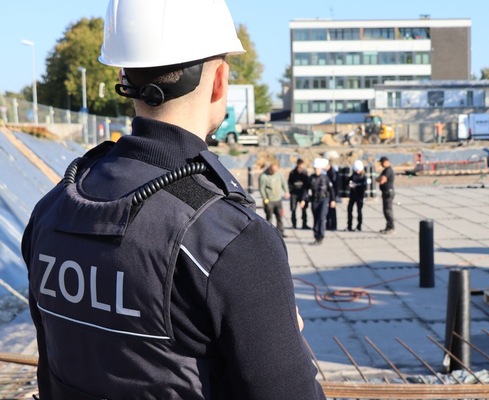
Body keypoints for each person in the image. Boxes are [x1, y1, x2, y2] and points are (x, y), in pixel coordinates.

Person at [21, 1, 325, 398]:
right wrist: (284, 342)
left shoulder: (53, 209)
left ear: (123, 76)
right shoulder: (232, 240)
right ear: (219, 82)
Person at [301, 158, 335, 245]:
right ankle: (316, 237)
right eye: (315, 168)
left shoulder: (325, 178)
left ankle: (321, 236)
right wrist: (303, 200)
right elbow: (305, 189)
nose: (316, 170)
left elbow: (331, 190)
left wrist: (332, 200)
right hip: (314, 201)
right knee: (316, 219)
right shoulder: (311, 178)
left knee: (321, 218)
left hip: (323, 200)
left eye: (318, 168)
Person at [258, 163, 289, 237]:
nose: (275, 172)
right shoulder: (264, 176)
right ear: (270, 169)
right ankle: (269, 233)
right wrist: (265, 198)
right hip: (269, 200)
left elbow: (283, 183)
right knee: (269, 218)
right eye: (273, 170)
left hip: (278, 200)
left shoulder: (279, 174)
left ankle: (280, 232)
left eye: (276, 170)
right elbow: (262, 188)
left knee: (279, 217)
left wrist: (286, 191)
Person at [288, 158, 311, 229]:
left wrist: (304, 196)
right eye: (299, 166)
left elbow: (307, 185)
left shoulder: (305, 173)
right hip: (294, 193)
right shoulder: (292, 173)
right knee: (293, 209)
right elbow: (289, 183)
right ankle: (294, 224)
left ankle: (304, 224)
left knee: (304, 209)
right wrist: (290, 191)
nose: (300, 168)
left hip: (302, 193)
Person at [347, 159, 369, 231]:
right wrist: (350, 184)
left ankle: (359, 226)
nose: (357, 171)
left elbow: (365, 186)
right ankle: (349, 226)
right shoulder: (353, 175)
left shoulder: (363, 177)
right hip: (353, 195)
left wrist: (357, 185)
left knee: (359, 211)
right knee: (349, 210)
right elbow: (348, 181)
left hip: (360, 196)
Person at [377, 156, 395, 234]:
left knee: (388, 211)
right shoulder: (385, 170)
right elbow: (378, 178)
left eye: (381, 162)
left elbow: (382, 180)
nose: (381, 164)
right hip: (385, 192)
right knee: (385, 210)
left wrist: (379, 179)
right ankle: (388, 227)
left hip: (388, 192)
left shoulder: (388, 170)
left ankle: (391, 227)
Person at [325, 161, 339, 231]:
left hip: (332, 194)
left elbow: (333, 186)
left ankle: (333, 225)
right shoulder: (328, 172)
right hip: (329, 194)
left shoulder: (332, 173)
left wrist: (333, 198)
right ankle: (329, 224)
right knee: (328, 211)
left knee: (332, 211)